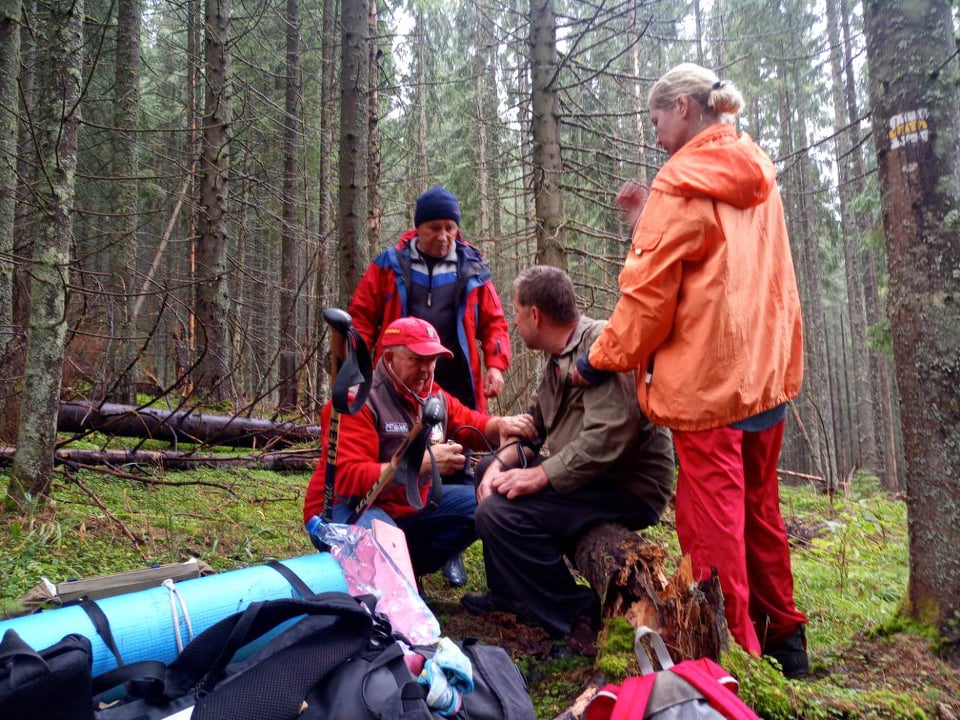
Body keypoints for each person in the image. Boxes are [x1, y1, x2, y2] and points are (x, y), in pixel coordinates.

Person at [572, 63, 809, 677]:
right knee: (759, 513)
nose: (654, 134)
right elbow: (718, 264)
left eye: (656, 119)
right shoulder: (755, 169)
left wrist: (596, 358)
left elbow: (646, 307)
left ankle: (733, 666)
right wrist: (646, 220)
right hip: (764, 376)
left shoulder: (681, 183)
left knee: (711, 530)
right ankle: (786, 642)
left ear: (682, 107)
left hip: (709, 389)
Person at [461, 266, 675, 657]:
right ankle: (509, 593)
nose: (514, 321)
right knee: (485, 473)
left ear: (536, 315)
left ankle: (579, 614)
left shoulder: (600, 344)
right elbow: (535, 428)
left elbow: (610, 435)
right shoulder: (555, 361)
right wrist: (496, 465)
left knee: (498, 513)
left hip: (627, 484)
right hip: (590, 476)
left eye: (517, 312)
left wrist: (540, 476)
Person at [348, 185, 512, 586]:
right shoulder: (390, 264)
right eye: (435, 228)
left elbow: (494, 323)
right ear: (418, 228)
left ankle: (450, 550)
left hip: (456, 376)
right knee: (404, 450)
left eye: (450, 228)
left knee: (456, 458)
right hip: (402, 376)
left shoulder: (472, 266)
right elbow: (363, 317)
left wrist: (496, 365)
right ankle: (394, 533)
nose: (443, 236)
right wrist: (357, 367)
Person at [303, 316, 535, 580]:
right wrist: (420, 464)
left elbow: (471, 423)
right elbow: (348, 480)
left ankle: (407, 571)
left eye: (432, 360)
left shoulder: (432, 395)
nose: (426, 369)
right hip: (346, 510)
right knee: (384, 564)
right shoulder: (359, 402)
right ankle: (392, 579)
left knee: (484, 505)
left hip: (405, 509)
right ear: (390, 359)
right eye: (417, 359)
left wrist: (500, 425)